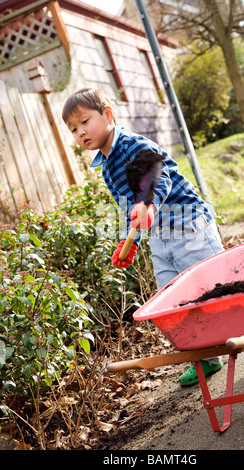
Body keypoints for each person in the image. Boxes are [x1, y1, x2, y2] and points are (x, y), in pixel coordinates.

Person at [62, 87, 226, 386]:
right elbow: (130, 209)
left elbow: (158, 177)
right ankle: (206, 357)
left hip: (189, 226)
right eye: (73, 129)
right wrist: (130, 242)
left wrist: (148, 203)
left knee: (220, 288)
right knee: (177, 304)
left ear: (108, 114)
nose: (80, 132)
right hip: (161, 238)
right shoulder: (106, 165)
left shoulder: (133, 145)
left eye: (85, 121)